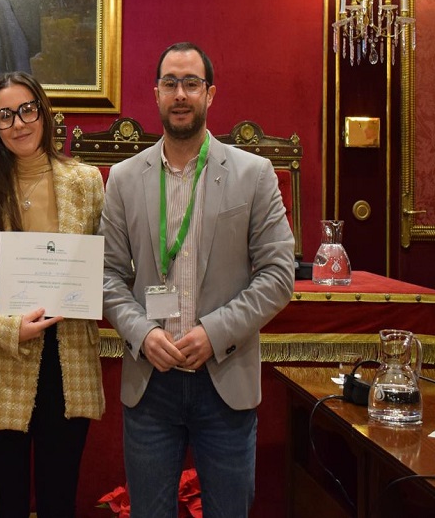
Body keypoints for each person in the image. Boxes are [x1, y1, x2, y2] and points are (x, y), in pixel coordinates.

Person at [99, 42, 294, 518]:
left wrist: (215, 332)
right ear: (156, 94)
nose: (180, 94)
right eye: (170, 83)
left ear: (211, 94)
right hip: (152, 386)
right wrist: (143, 333)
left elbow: (278, 275)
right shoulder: (124, 179)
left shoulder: (254, 174)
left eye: (191, 83)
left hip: (224, 381)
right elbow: (105, 275)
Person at [0, 72, 105, 518]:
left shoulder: (85, 181)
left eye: (27, 110)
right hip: (5, 360)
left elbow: (107, 266)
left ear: (43, 113)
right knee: (6, 501)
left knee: (59, 498)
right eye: (5, 115)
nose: (18, 123)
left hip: (69, 361)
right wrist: (7, 328)